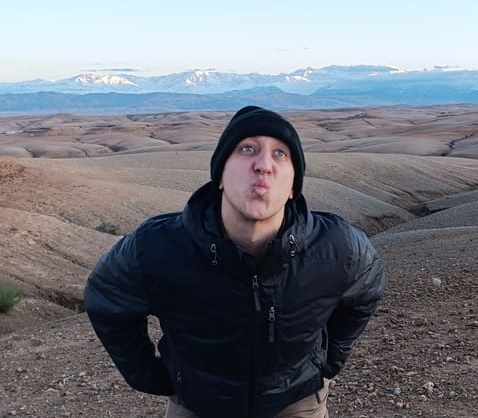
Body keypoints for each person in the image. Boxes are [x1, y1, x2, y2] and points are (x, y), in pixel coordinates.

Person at [84, 105, 386, 418]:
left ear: (294, 185)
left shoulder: (337, 246)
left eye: (281, 154)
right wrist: (147, 375)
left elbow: (368, 289)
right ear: (220, 176)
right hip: (197, 405)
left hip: (297, 403)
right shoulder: (158, 246)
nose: (263, 165)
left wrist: (330, 359)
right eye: (247, 149)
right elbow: (105, 297)